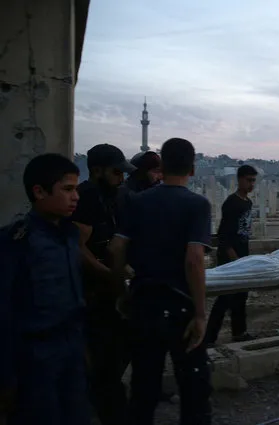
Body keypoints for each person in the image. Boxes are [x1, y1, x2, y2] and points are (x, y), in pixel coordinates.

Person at [109, 138, 213, 425]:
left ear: (163, 166)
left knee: (143, 389)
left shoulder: (138, 201)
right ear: (192, 169)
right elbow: (194, 260)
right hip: (181, 308)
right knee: (194, 393)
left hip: (143, 303)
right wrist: (201, 314)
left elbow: (116, 248)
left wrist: (121, 292)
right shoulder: (197, 205)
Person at [0, 154, 90, 425]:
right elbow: (3, 310)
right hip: (35, 356)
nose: (75, 197)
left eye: (76, 189)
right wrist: (5, 376)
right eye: (67, 189)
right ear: (39, 192)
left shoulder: (70, 235)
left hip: (70, 348)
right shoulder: (16, 241)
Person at [72, 143, 136, 425]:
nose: (121, 178)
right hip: (94, 292)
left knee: (122, 350)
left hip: (114, 289)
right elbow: (77, 246)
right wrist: (105, 272)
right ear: (96, 170)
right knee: (104, 360)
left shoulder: (116, 196)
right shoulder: (85, 197)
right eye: (116, 172)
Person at [206, 165, 258, 346]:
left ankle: (239, 332)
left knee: (241, 295)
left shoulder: (248, 203)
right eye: (248, 180)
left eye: (253, 180)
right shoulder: (231, 203)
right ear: (240, 180)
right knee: (225, 297)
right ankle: (209, 338)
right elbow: (224, 235)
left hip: (242, 254)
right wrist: (234, 258)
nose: (251, 184)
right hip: (230, 257)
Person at [116, 151, 162, 222]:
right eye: (156, 171)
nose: (161, 176)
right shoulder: (124, 195)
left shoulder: (149, 192)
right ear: (141, 173)